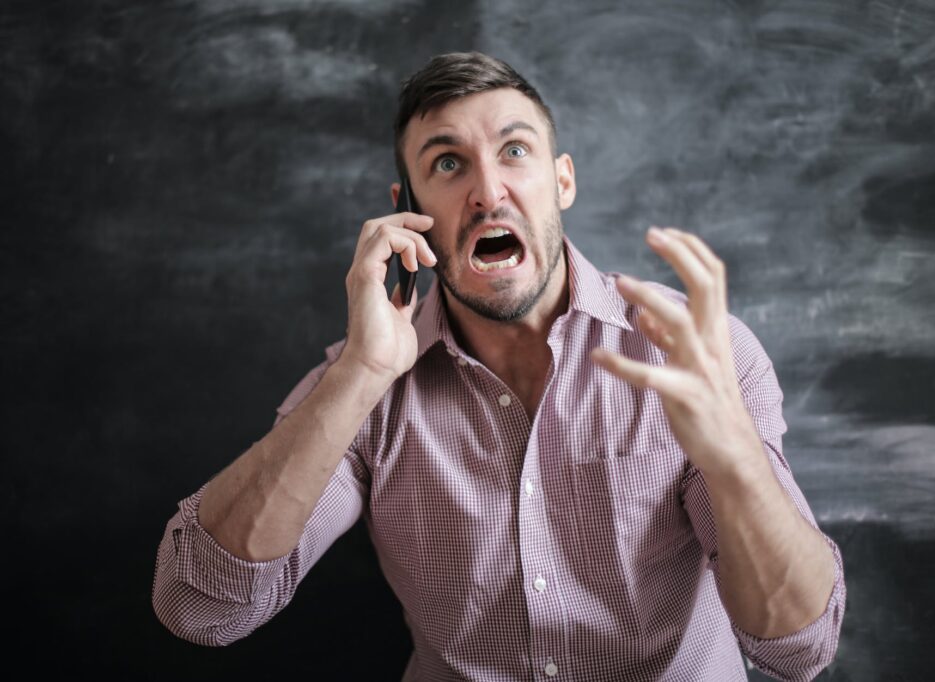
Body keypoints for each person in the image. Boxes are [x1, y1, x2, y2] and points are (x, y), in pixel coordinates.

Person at [152, 51, 845, 681]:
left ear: (561, 180)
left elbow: (797, 649)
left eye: (515, 150)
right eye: (447, 164)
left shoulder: (695, 352)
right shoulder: (362, 386)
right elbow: (203, 610)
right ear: (408, 212)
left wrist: (734, 460)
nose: (488, 192)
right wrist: (361, 373)